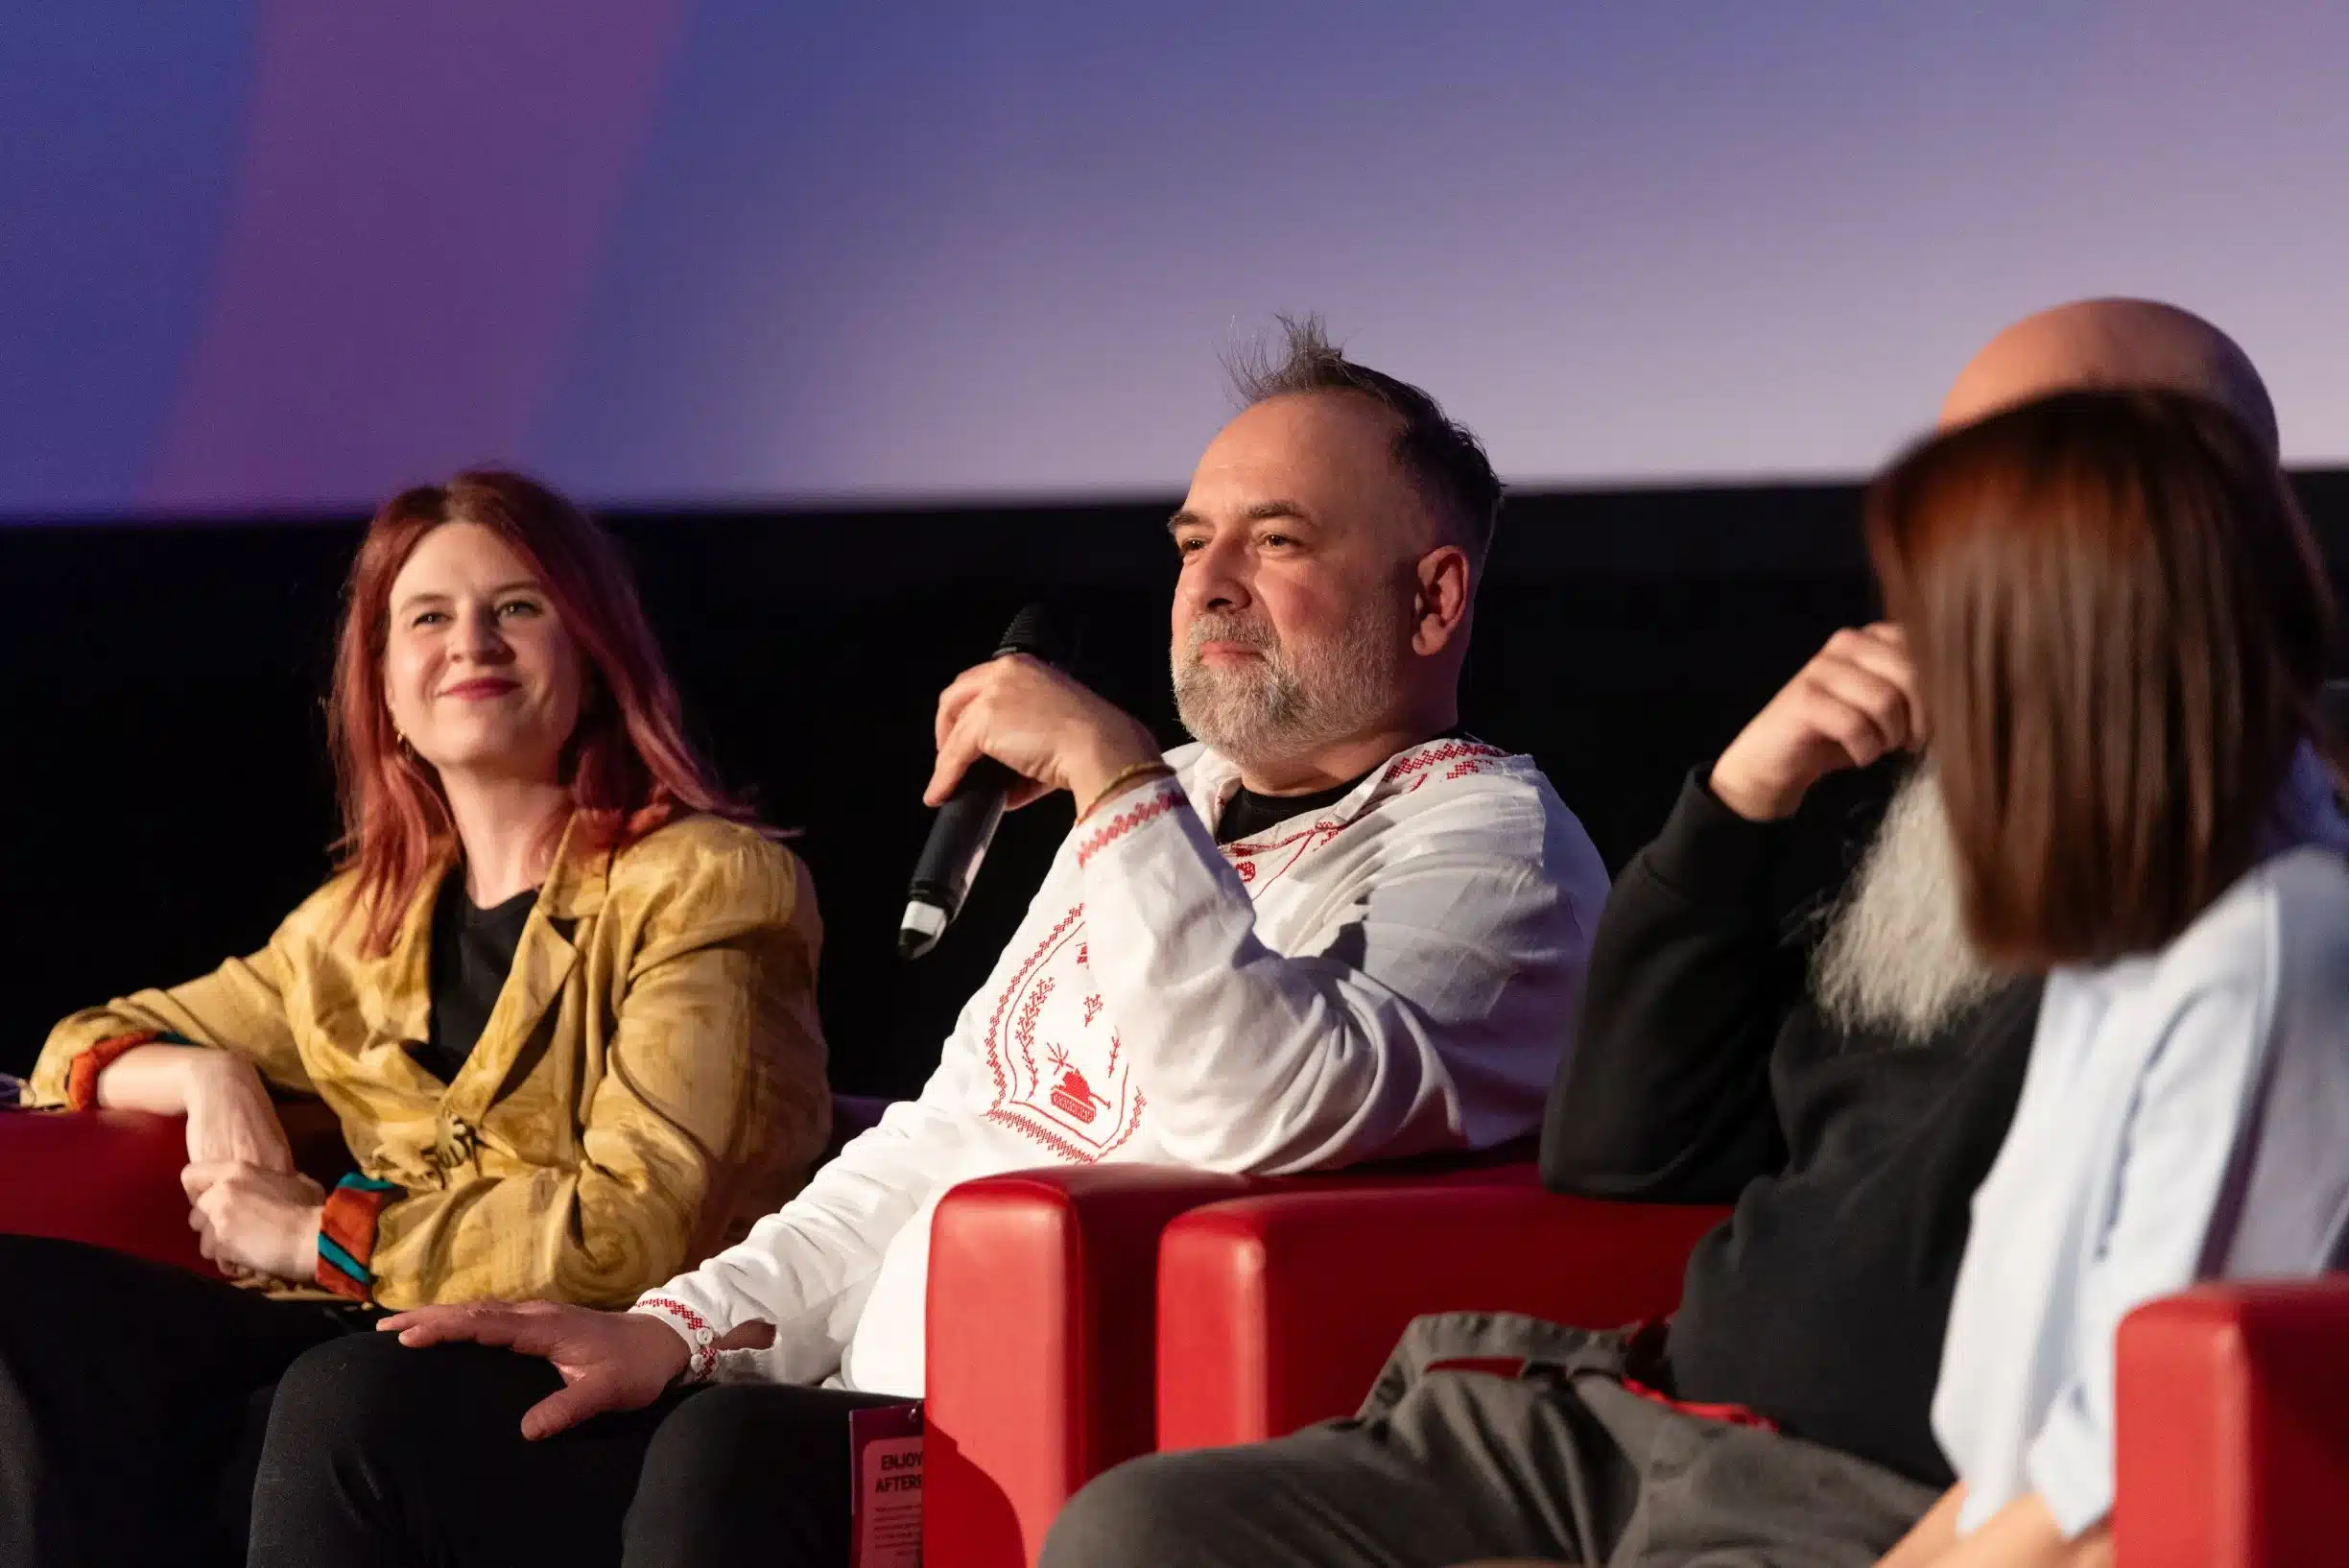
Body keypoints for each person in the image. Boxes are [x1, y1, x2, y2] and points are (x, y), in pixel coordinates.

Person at [243, 318, 1610, 1568]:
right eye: (1194, 542)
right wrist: (676, 1324)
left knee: (726, 1460)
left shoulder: (1490, 848)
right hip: (855, 1393)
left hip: (1088, 1454)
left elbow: (1259, 1105)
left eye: (1280, 541)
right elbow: (950, 1130)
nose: (1209, 584)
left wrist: (1113, 776)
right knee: (370, 1408)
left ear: (1433, 599)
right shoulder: (1172, 805)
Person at [1040, 299, 2291, 1568]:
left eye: (2023, 475)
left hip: (1861, 1509)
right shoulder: (1935, 819)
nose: (1957, 538)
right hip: (1627, 1427)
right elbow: (1622, 1151)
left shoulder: (2264, 905)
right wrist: (1739, 803)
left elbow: (2117, 1446)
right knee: (1136, 1532)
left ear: (2199, 515)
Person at [0, 471, 828, 1568]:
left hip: (616, 1364)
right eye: (428, 617)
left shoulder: (706, 882)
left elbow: (634, 1231)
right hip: (380, 1338)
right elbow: (79, 1041)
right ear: (383, 687)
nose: (471, 642)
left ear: (593, 651)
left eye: (517, 607)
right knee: (30, 1310)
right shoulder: (355, 927)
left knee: (337, 1397)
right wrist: (209, 1075)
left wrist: (322, 1232)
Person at [1866, 391, 2349, 1567]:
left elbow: (2121, 1483)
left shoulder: (2275, 948)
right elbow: (2029, 1468)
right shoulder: (2136, 945)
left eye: (1943, 634)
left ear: (2053, 663)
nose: (1920, 689)